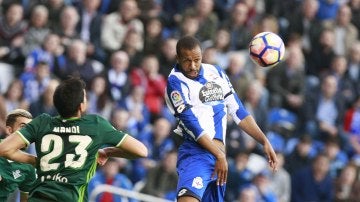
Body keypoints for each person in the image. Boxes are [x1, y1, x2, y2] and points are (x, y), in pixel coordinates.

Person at [164, 36, 278, 202]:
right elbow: (191, 124)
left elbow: (238, 111)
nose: (193, 66)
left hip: (219, 159)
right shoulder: (175, 83)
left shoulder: (216, 72)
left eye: (197, 60)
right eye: (187, 61)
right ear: (177, 59)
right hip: (196, 154)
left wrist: (264, 141)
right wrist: (219, 155)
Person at [0, 77, 148, 201]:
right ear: (81, 106)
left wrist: (36, 161)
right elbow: (141, 151)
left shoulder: (42, 122)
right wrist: (108, 152)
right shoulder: (96, 124)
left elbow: (4, 149)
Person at [0, 109, 36, 202]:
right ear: (9, 130)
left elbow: (25, 199)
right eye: (23, 127)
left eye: (31, 128)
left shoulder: (28, 167)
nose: (28, 133)